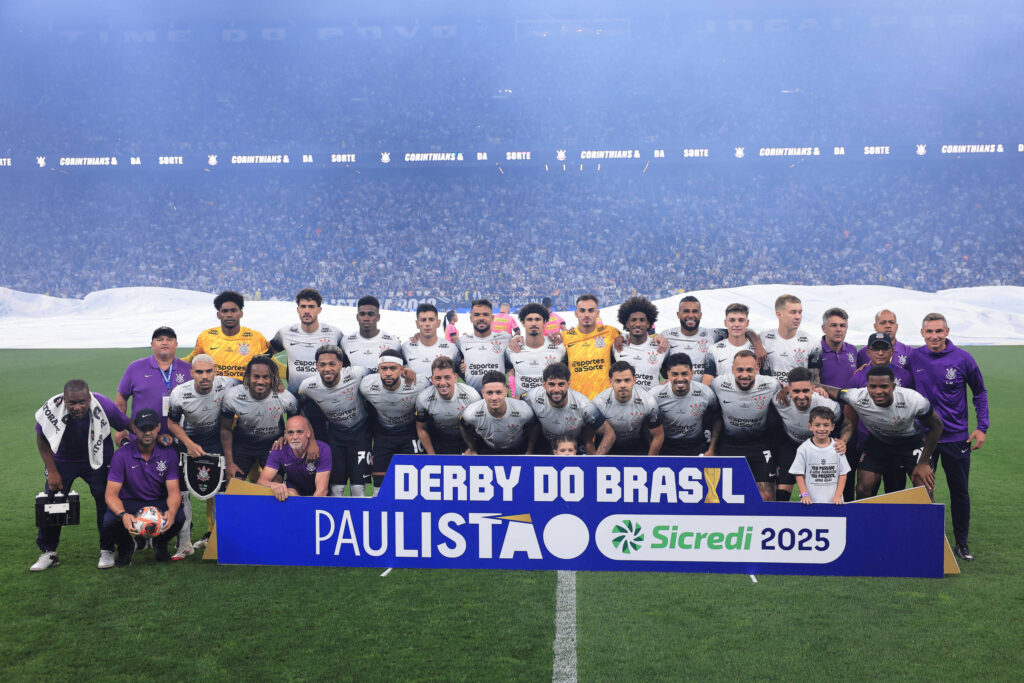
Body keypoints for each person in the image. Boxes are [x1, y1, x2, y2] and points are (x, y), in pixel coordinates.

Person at [907, 313, 989, 561]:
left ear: (947, 332)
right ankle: (927, 540)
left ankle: (961, 543)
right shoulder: (914, 357)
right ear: (922, 333)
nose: (934, 336)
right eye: (929, 331)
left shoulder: (963, 358)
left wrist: (982, 427)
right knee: (922, 487)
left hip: (956, 438)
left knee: (959, 491)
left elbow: (979, 392)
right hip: (924, 438)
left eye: (938, 331)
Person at [31, 379, 131, 572]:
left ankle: (107, 549)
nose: (77, 407)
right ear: (64, 399)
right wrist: (52, 471)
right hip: (64, 460)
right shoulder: (52, 407)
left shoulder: (103, 404)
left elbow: (128, 424)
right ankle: (49, 552)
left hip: (98, 457)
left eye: (82, 402)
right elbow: (41, 438)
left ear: (89, 398)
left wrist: (148, 441)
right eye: (72, 403)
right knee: (52, 502)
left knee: (105, 501)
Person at [819, 367, 943, 501]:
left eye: (884, 386)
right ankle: (864, 515)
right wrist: (810, 385)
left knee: (925, 489)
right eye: (873, 387)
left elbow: (937, 427)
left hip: (911, 442)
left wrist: (924, 462)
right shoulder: (857, 396)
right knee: (863, 487)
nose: (878, 391)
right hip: (878, 442)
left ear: (893, 386)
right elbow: (831, 390)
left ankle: (925, 514)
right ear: (867, 386)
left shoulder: (914, 400)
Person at [166, 354, 240, 558]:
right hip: (187, 445)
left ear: (215, 372)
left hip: (215, 443)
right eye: (199, 372)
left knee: (221, 494)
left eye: (209, 371)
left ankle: (219, 544)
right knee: (182, 493)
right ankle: (184, 544)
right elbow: (171, 423)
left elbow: (253, 383)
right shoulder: (179, 393)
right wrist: (188, 444)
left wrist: (278, 386)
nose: (205, 376)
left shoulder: (229, 383)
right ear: (192, 373)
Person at [102, 409, 186, 566]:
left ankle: (160, 543)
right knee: (109, 521)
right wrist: (123, 515)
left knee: (179, 517)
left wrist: (172, 511)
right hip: (130, 501)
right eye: (142, 428)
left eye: (151, 428)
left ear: (158, 427)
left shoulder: (169, 454)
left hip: (158, 501)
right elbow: (110, 495)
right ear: (134, 428)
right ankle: (126, 546)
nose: (147, 432)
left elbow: (174, 491)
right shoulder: (121, 455)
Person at [297, 344, 373, 497]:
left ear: (340, 364)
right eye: (322, 364)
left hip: (361, 433)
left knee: (358, 489)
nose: (327, 369)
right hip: (335, 435)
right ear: (317, 366)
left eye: (332, 364)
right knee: (336, 488)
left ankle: (359, 513)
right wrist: (311, 439)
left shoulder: (357, 373)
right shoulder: (307, 386)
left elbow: (381, 377)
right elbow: (302, 411)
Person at [268, 288, 343, 440]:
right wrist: (275, 379)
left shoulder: (334, 333)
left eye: (311, 307)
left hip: (324, 398)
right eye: (303, 306)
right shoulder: (285, 332)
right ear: (298, 309)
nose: (307, 311)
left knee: (322, 441)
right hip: (295, 399)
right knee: (296, 442)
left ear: (319, 309)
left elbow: (345, 362)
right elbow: (269, 355)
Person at [849, 332, 914, 497]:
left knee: (895, 490)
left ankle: (892, 516)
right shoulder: (858, 377)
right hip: (870, 443)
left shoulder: (905, 376)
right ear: (868, 352)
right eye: (875, 349)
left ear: (892, 351)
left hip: (898, 442)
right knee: (864, 488)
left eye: (884, 348)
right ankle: (865, 516)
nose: (880, 353)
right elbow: (851, 413)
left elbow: (913, 407)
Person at [711, 350, 782, 502]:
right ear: (732, 369)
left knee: (766, 496)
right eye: (740, 370)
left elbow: (788, 396)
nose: (744, 375)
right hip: (730, 444)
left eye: (749, 370)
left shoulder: (771, 384)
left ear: (757, 369)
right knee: (725, 495)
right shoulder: (718, 384)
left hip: (760, 444)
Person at [772, 367, 847, 502]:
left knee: (824, 494)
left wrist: (843, 441)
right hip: (792, 445)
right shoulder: (779, 401)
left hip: (818, 448)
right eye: (796, 391)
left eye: (805, 390)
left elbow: (845, 424)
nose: (801, 396)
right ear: (789, 389)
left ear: (813, 388)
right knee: (781, 493)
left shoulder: (829, 406)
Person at [220, 355, 299, 480]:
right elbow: (225, 429)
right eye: (256, 376)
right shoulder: (233, 396)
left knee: (275, 486)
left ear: (272, 378)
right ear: (248, 377)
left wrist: (286, 436)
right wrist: (229, 463)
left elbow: (298, 423)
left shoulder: (286, 398)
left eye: (265, 377)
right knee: (233, 485)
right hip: (243, 445)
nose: (261, 381)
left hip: (273, 446)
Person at [360, 350, 429, 489]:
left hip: (410, 432)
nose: (388, 373)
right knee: (379, 484)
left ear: (402, 370)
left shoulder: (419, 383)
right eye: (384, 368)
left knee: (413, 483)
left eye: (393, 368)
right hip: (383, 434)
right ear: (378, 370)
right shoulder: (366, 386)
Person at [662, 296, 765, 376]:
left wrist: (757, 345)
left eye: (695, 311)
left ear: (700, 315)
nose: (691, 315)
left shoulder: (713, 334)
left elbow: (741, 330)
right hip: (678, 389)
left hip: (704, 391)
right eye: (686, 311)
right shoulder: (666, 336)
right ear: (678, 314)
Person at [522, 363, 613, 454]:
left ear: (568, 384)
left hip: (574, 446)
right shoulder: (533, 396)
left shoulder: (584, 405)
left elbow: (610, 434)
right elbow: (517, 403)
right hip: (544, 442)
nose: (556, 389)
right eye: (551, 384)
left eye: (561, 384)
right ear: (544, 384)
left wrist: (597, 460)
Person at [184, 290, 274, 381]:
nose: (229, 315)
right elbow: (191, 361)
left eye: (233, 311)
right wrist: (174, 362)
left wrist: (281, 380)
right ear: (218, 315)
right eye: (225, 311)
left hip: (245, 388)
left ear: (241, 314)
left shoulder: (256, 337)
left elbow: (272, 363)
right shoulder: (205, 336)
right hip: (214, 388)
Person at [116, 326, 192, 433]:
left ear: (176, 344)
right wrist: (120, 430)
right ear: (152, 344)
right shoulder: (135, 367)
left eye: (169, 339)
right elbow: (122, 397)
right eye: (159, 339)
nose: (164, 343)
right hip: (142, 437)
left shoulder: (189, 370)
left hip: (179, 437)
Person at [650, 353, 719, 456]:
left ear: (692, 373)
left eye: (684, 374)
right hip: (665, 445)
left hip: (696, 444)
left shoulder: (706, 393)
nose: (680, 379)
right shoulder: (655, 395)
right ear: (668, 374)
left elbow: (717, 418)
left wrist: (711, 448)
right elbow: (645, 424)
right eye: (675, 374)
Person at [592, 361, 664, 455]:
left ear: (634, 380)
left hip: (635, 445)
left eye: (627, 380)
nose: (623, 385)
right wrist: (593, 461)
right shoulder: (599, 403)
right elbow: (588, 437)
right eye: (618, 381)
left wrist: (650, 461)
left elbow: (658, 435)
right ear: (610, 381)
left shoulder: (648, 401)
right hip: (606, 446)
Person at [415, 357, 481, 454]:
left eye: (447, 377)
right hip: (439, 440)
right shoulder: (423, 398)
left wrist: (472, 448)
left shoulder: (472, 396)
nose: (442, 383)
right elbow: (422, 428)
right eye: (438, 378)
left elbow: (480, 427)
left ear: (455, 377)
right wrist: (431, 455)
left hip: (466, 440)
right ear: (432, 379)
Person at [460, 371, 537, 454]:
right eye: (489, 393)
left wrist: (530, 450)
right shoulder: (470, 413)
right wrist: (472, 449)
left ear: (506, 391)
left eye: (499, 392)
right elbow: (463, 426)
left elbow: (535, 425)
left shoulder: (524, 410)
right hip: (488, 449)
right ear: (483, 393)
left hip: (518, 449)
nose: (494, 398)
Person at [562, 294, 622, 399]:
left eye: (591, 310)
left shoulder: (610, 332)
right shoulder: (565, 337)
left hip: (604, 399)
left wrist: (623, 336)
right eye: (582, 311)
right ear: (576, 313)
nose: (586, 314)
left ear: (597, 313)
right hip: (577, 400)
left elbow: (631, 338)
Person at [257, 416, 331, 499]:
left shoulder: (322, 449)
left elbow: (322, 490)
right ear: (285, 434)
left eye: (299, 432)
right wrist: (273, 485)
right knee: (289, 494)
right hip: (295, 488)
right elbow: (261, 482)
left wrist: (309, 507)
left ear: (308, 433)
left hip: (316, 490)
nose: (295, 437)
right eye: (290, 432)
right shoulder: (279, 448)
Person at [790, 406, 850, 505]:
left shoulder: (837, 447)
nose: (821, 429)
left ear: (832, 427)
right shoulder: (804, 448)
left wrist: (838, 496)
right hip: (810, 503)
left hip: (834, 503)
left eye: (826, 425)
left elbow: (843, 474)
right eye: (817, 425)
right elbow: (799, 474)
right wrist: (805, 495)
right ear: (810, 426)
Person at [506, 302, 566, 398]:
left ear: (545, 322)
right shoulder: (512, 348)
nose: (533, 323)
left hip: (548, 403)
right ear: (523, 323)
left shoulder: (559, 347)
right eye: (529, 319)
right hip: (521, 403)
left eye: (538, 319)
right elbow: (506, 371)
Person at [759, 295, 821, 385]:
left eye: (800, 312)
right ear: (778, 314)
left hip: (798, 392)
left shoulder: (812, 341)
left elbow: (814, 379)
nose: (798, 317)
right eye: (793, 312)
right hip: (770, 391)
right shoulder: (762, 338)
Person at [457, 299, 512, 391]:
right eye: (477, 315)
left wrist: (518, 337)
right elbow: (455, 367)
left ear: (492, 318)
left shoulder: (505, 339)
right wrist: (461, 371)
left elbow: (515, 362)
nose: (481, 318)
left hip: (496, 396)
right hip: (472, 396)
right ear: (471, 318)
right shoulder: (462, 341)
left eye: (486, 315)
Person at [613, 296, 668, 390]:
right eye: (633, 320)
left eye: (642, 320)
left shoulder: (661, 347)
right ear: (627, 324)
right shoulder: (616, 346)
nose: (638, 324)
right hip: (624, 398)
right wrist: (622, 336)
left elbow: (668, 373)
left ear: (648, 324)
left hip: (651, 399)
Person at [341, 295, 402, 369]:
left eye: (371, 314)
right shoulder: (345, 341)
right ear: (357, 317)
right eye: (362, 314)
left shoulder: (393, 342)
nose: (366, 318)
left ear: (378, 317)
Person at [402, 303, 461, 379]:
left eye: (431, 319)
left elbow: (462, 372)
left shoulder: (452, 348)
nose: (427, 324)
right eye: (423, 320)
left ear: (438, 323)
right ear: (417, 324)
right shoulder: (406, 347)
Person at [710, 303, 762, 377]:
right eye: (732, 320)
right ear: (725, 323)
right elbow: (708, 380)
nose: (737, 324)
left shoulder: (760, 351)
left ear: (747, 323)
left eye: (741, 320)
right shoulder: (713, 349)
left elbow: (767, 380)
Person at [818, 307, 859, 389]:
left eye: (842, 326)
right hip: (824, 398)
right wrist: (839, 394)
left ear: (846, 328)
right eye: (834, 325)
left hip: (851, 397)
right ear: (824, 328)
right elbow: (812, 384)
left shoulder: (852, 350)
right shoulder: (815, 351)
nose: (838, 329)